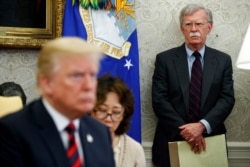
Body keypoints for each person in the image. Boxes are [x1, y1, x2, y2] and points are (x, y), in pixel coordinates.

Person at [0, 37, 115, 167]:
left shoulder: (100, 132)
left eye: (92, 75)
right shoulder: (12, 132)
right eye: (77, 76)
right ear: (47, 83)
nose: (89, 86)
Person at [151, 4, 235, 167]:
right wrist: (187, 131)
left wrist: (202, 126)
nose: (193, 29)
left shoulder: (223, 60)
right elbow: (159, 100)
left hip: (211, 142)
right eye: (188, 24)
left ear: (209, 27)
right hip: (171, 138)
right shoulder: (165, 59)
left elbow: (227, 99)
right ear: (182, 29)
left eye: (199, 24)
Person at [91, 74, 146, 167]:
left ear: (124, 114)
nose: (108, 119)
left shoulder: (135, 149)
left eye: (116, 112)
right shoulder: (75, 143)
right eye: (102, 110)